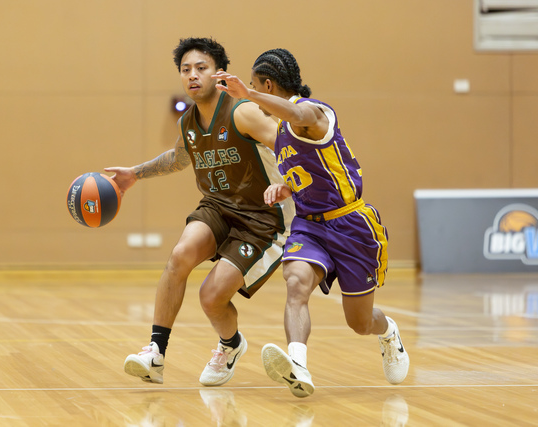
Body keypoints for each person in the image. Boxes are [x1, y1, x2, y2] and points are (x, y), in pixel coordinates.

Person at [213, 48, 410, 397]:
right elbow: (311, 173)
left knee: (360, 322)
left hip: (350, 224)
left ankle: (388, 331)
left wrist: (246, 95)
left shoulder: (313, 113)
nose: (253, 94)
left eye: (256, 86)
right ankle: (298, 365)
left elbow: (294, 112)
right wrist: (287, 187)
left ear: (268, 85)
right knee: (296, 282)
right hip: (310, 225)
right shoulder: (281, 133)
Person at [104, 38, 294, 386]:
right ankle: (155, 354)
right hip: (217, 207)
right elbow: (178, 158)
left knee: (210, 297)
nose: (192, 75)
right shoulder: (188, 122)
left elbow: (290, 146)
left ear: (219, 73)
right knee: (180, 255)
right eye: (185, 69)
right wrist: (134, 174)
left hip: (261, 218)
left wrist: (291, 185)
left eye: (201, 68)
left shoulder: (242, 111)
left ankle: (231, 345)